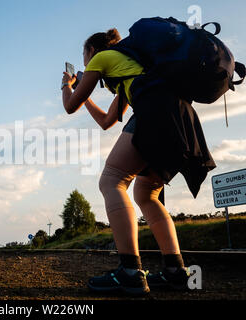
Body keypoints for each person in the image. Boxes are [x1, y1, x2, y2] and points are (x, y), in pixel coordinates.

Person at [61, 28, 216, 295]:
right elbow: (107, 122)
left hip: (154, 113)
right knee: (146, 194)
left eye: (84, 55)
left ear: (91, 51)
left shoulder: (103, 58)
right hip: (180, 118)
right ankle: (176, 271)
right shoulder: (131, 72)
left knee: (112, 181)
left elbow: (69, 106)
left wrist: (67, 85)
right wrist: (83, 95)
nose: (85, 63)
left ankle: (130, 272)